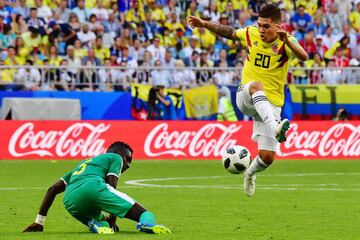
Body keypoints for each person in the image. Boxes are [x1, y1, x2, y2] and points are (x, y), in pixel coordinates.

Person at [187, 4, 307, 197]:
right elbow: (231, 32)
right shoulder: (251, 33)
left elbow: (303, 56)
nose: (261, 30)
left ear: (277, 26)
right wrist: (204, 24)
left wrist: (288, 41)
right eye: (259, 25)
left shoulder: (287, 42)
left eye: (266, 26)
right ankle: (275, 127)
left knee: (267, 158)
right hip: (246, 95)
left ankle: (249, 174)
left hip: (271, 103)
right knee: (256, 85)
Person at [23, 141, 171, 235]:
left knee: (102, 223)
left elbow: (52, 189)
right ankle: (146, 224)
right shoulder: (115, 157)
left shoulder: (83, 164)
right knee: (144, 213)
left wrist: (39, 222)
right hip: (93, 187)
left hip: (70, 201)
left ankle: (96, 225)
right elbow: (111, 186)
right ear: (118, 154)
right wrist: (114, 219)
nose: (128, 165)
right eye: (128, 159)